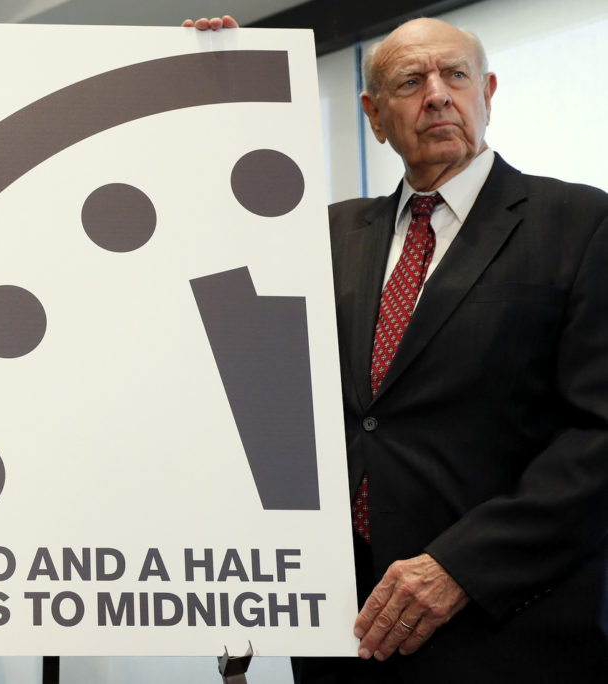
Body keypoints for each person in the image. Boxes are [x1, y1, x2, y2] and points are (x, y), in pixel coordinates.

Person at [189, 14, 608, 681]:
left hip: (508, 632)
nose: (437, 93)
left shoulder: (581, 223)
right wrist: (218, 82)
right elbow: (214, 281)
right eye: (411, 80)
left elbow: (598, 435)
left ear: (488, 92)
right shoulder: (323, 235)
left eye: (456, 75)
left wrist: (461, 567)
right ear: (375, 115)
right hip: (345, 631)